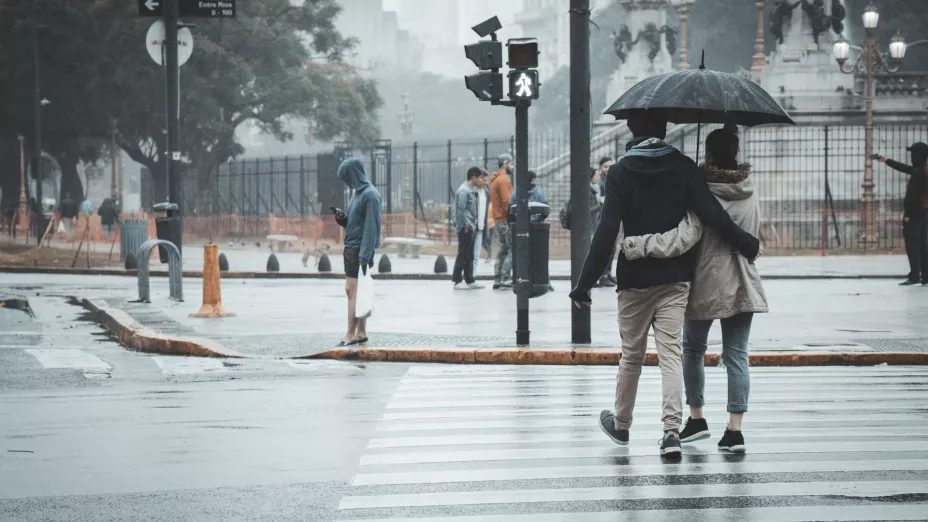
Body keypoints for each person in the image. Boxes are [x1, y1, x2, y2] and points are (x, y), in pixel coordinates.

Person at [568, 111, 760, 460]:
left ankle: (622, 425)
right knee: (671, 355)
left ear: (632, 129)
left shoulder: (621, 172)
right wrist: (745, 241)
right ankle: (671, 432)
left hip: (634, 280)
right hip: (675, 279)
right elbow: (712, 215)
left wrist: (583, 284)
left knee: (632, 357)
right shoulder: (685, 167)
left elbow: (606, 231)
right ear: (666, 128)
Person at [621, 124, 768, 454]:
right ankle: (734, 431)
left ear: (709, 154)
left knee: (692, 350)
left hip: (705, 279)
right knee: (737, 356)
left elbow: (686, 236)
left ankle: (697, 418)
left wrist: (641, 246)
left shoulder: (703, 191)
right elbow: (757, 232)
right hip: (743, 280)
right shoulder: (750, 188)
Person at [333, 158, 382, 347]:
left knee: (351, 290)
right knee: (358, 292)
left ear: (355, 174)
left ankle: (350, 334)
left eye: (347, 176)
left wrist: (364, 255)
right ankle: (361, 332)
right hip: (354, 247)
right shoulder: (358, 195)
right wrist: (343, 220)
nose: (346, 181)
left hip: (358, 250)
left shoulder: (370, 195)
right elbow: (357, 224)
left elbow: (371, 227)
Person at [875, 142, 928, 286]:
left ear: (918, 155)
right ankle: (925, 275)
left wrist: (907, 215)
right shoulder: (922, 169)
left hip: (915, 213)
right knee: (923, 244)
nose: (910, 156)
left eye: (912, 153)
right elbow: (904, 168)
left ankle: (914, 275)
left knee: (912, 244)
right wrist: (886, 160)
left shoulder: (918, 172)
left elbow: (913, 197)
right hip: (924, 213)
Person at [453, 167, 485, 290]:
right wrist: (465, 226)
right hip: (465, 227)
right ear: (473, 177)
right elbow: (461, 211)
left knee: (470, 254)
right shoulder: (463, 191)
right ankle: (457, 281)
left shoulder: (471, 190)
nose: (481, 180)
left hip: (471, 226)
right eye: (480, 178)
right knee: (463, 253)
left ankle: (470, 279)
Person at [490, 153, 514, 290]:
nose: (512, 166)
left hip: (497, 219)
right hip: (505, 219)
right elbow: (507, 202)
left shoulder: (495, 179)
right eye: (511, 164)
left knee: (502, 249)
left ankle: (497, 278)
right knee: (513, 248)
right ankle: (506, 278)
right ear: (505, 164)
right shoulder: (504, 179)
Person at [589, 168, 612, 288]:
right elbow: (587, 210)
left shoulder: (595, 189)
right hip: (590, 227)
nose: (598, 177)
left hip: (595, 225)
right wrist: (600, 204)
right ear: (591, 177)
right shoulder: (589, 191)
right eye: (596, 175)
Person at [598, 157, 619, 287]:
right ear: (601, 167)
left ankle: (608, 274)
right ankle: (603, 276)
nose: (608, 169)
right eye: (606, 166)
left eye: (611, 166)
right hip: (603, 219)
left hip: (612, 217)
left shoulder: (613, 179)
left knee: (612, 249)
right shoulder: (599, 182)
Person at [473, 169, 490, 277]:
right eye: (483, 180)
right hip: (471, 227)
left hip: (480, 227)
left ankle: (472, 277)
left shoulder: (486, 192)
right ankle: (465, 277)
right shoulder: (472, 191)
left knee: (476, 255)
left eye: (487, 180)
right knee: (467, 255)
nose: (485, 182)